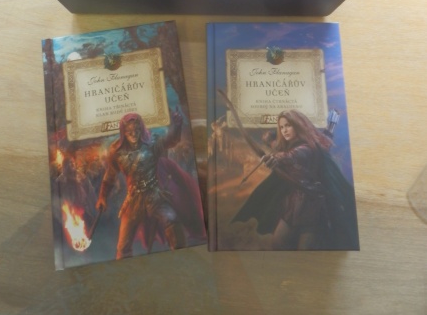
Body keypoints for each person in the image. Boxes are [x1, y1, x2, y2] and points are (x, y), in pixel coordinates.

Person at [232, 109, 359, 250]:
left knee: (305, 249)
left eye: (288, 125)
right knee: (277, 243)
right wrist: (270, 142)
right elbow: (322, 141)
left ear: (297, 125)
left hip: (312, 205)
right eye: (282, 127)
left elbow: (292, 155)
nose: (284, 130)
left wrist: (275, 158)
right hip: (293, 204)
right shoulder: (296, 144)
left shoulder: (307, 147)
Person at [96, 111, 205, 259]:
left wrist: (177, 126)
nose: (134, 134)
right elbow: (109, 176)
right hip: (133, 200)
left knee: (172, 220)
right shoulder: (117, 152)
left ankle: (181, 258)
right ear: (123, 132)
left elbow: (171, 141)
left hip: (154, 195)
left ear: (141, 128)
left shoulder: (152, 143)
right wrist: (102, 197)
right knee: (123, 245)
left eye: (136, 130)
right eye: (129, 132)